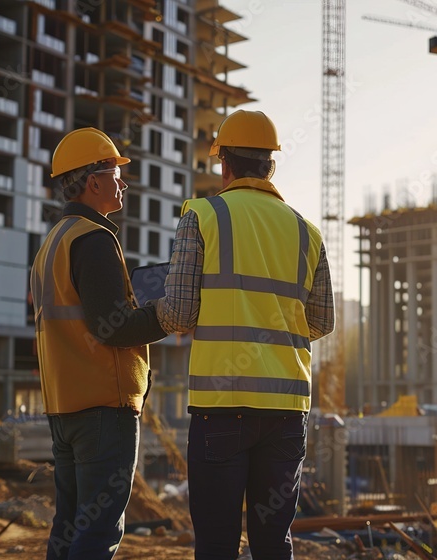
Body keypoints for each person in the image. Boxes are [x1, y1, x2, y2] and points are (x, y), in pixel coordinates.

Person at [157, 110, 335, 560]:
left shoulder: (202, 214)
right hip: (286, 410)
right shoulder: (306, 231)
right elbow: (322, 322)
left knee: (217, 545)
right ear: (270, 165)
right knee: (273, 543)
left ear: (224, 163)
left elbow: (178, 313)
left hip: (222, 406)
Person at [30, 127, 167, 560]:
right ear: (93, 181)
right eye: (115, 172)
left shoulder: (52, 242)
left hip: (64, 407)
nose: (122, 181)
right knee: (97, 532)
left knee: (69, 525)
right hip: (102, 409)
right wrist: (168, 314)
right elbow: (115, 327)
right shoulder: (95, 238)